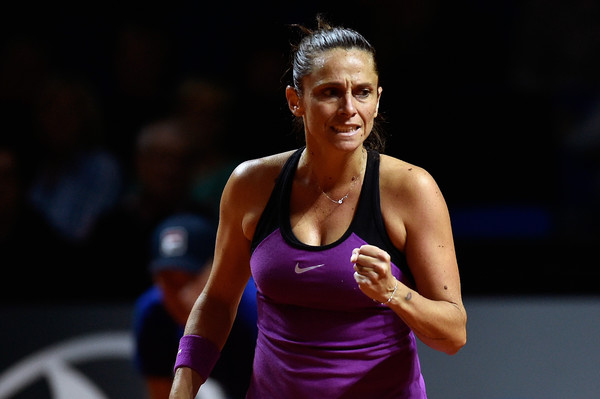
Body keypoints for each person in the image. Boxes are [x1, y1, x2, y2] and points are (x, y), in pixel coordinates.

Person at [170, 18, 467, 399]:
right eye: (330, 93)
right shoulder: (250, 185)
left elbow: (453, 334)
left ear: (377, 100)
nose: (348, 108)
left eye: (362, 92)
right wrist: (183, 385)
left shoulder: (411, 189)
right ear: (296, 101)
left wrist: (393, 291)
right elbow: (216, 301)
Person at [133, 213, 257, 399]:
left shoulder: (256, 312)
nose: (181, 295)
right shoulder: (152, 314)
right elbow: (160, 393)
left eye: (190, 279)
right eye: (169, 281)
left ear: (218, 268)